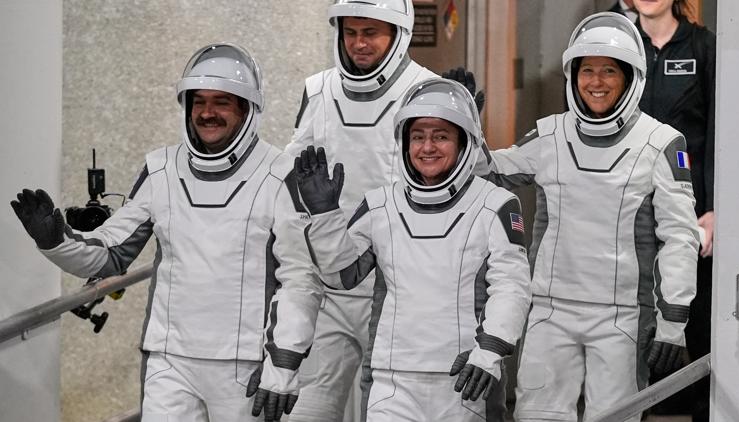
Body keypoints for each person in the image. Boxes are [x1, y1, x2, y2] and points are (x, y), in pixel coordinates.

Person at [10, 43, 321, 422]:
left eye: (222, 102)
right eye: (198, 101)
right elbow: (109, 254)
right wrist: (56, 242)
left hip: (245, 364)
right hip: (169, 362)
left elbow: (300, 278)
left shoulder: (280, 172)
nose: (207, 112)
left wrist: (284, 359)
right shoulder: (161, 169)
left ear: (247, 109)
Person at [486, 12, 700, 421]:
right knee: (538, 416)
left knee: (615, 416)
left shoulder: (661, 143)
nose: (596, 82)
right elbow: (490, 170)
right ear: (573, 76)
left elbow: (680, 238)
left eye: (608, 71)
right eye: (587, 70)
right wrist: (462, 128)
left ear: (630, 77)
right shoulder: (550, 135)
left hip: (622, 318)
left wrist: (673, 319)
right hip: (550, 311)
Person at [284, 1, 488, 420]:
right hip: (332, 279)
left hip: (402, 290)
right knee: (309, 408)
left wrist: (470, 129)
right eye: (350, 32)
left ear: (398, 33)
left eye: (370, 33)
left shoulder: (428, 88)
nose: (359, 44)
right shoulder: (318, 90)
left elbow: (476, 180)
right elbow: (288, 174)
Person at [295, 78, 532, 421]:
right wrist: (325, 215)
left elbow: (511, 287)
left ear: (465, 142)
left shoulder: (495, 204)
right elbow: (341, 275)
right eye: (417, 137)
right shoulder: (380, 204)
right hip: (392, 382)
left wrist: (490, 350)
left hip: (467, 375)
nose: (427, 147)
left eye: (441, 136)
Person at [633, 0, 716, 420]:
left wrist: (716, 208)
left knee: (697, 325)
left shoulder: (703, 47)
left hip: (691, 214)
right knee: (630, 331)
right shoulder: (615, 42)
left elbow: (722, 130)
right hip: (631, 213)